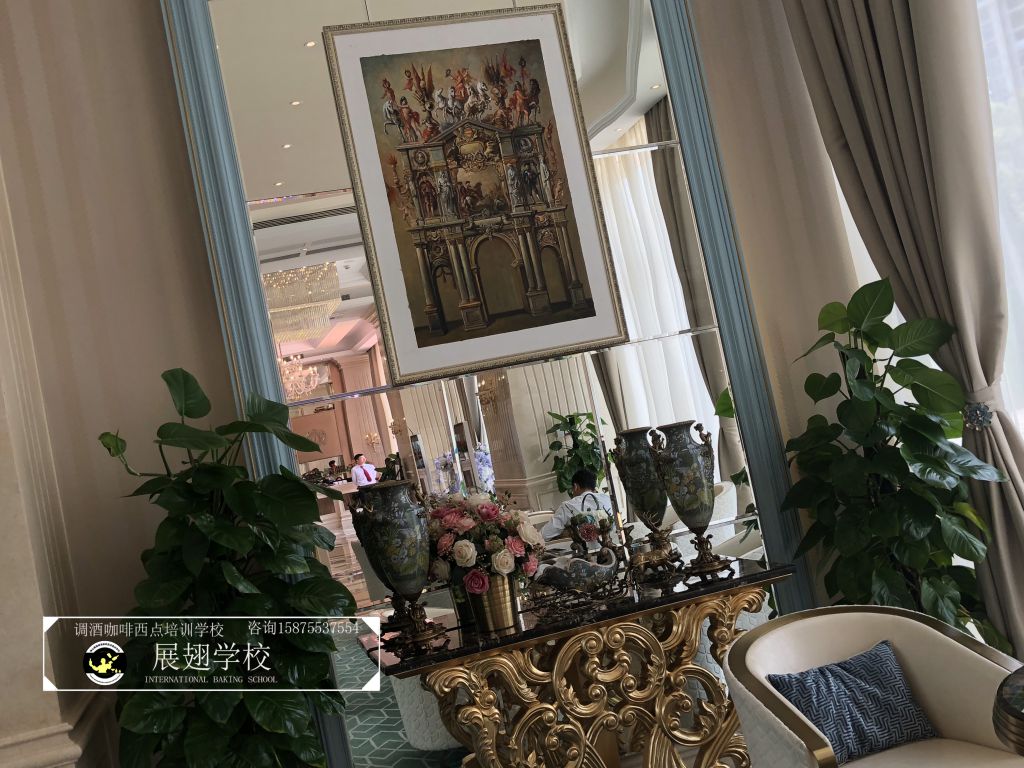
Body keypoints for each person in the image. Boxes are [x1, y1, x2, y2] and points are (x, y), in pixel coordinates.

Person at [541, 469, 616, 551]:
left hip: (584, 553)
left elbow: (544, 535)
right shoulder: (608, 499)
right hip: (613, 548)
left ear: (576, 486)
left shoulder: (567, 506)